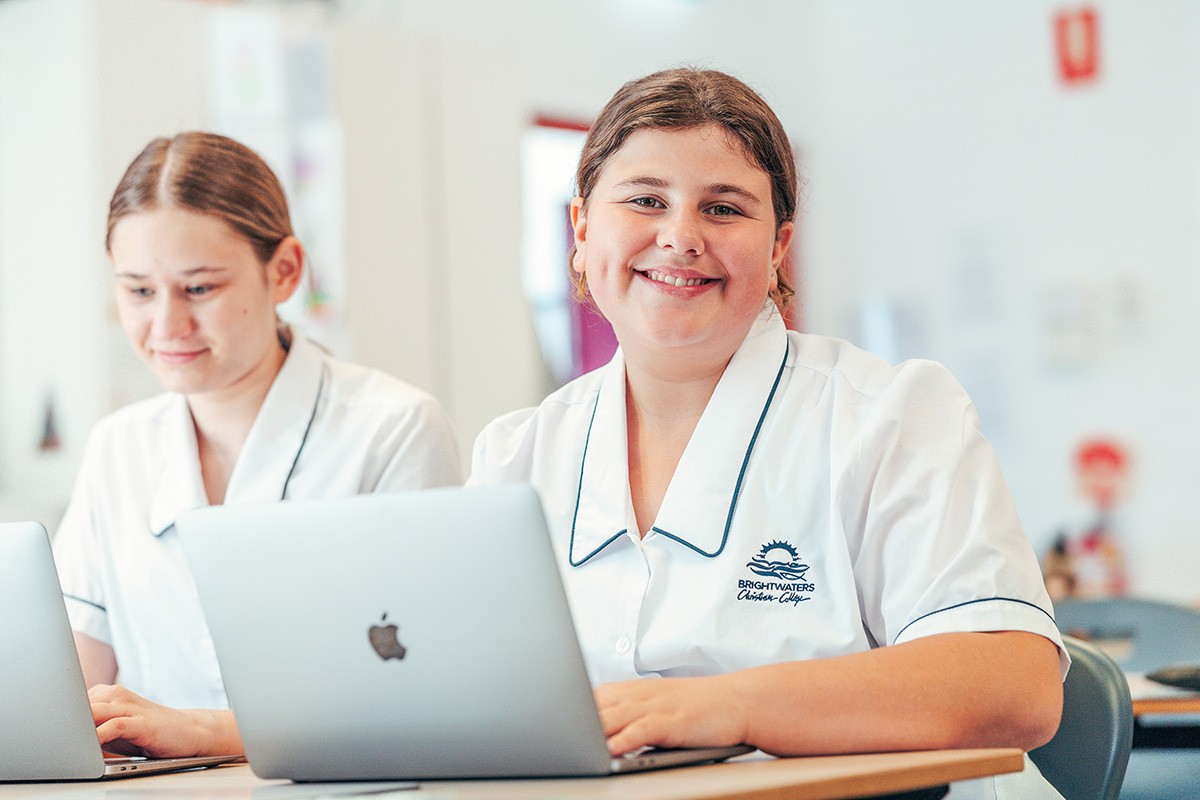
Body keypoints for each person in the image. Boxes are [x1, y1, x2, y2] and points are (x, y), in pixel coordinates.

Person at [468, 69, 1067, 799]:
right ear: (583, 226)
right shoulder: (516, 456)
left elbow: (1015, 685)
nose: (680, 236)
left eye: (723, 209)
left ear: (779, 245)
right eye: (645, 200)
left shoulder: (891, 414)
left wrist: (717, 707)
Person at [53, 132, 462, 759]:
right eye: (138, 291)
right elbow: (69, 687)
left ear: (285, 271)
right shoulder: (118, 447)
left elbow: (425, 687)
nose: (166, 326)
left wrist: (204, 733)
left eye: (199, 289)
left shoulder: (391, 428)